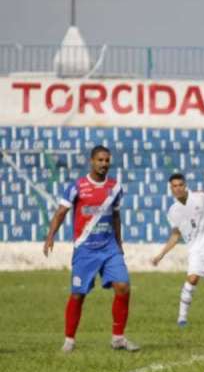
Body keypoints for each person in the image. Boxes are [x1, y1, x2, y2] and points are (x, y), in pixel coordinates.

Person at [43, 145, 138, 352]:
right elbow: (61, 213)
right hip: (85, 248)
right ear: (91, 161)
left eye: (107, 160)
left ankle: (118, 338)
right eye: (100, 160)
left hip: (109, 247)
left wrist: (119, 243)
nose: (104, 164)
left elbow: (115, 216)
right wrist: (51, 236)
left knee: (123, 287)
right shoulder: (77, 186)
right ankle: (69, 340)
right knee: (78, 294)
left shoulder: (115, 187)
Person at [150, 173, 204, 327]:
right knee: (192, 279)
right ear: (171, 189)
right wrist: (161, 255)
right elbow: (175, 235)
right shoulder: (173, 211)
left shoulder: (200, 197)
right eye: (174, 186)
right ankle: (182, 318)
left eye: (180, 185)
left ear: (185, 186)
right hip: (196, 248)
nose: (177, 188)